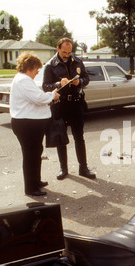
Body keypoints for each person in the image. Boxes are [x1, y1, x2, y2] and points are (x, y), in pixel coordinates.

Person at [43, 37, 96, 180]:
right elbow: (45, 86)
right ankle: (63, 168)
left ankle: (83, 168)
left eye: (69, 52)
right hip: (60, 104)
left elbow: (86, 79)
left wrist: (80, 82)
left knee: (79, 136)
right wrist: (58, 84)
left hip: (76, 103)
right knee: (61, 137)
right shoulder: (50, 65)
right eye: (64, 52)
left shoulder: (78, 61)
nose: (67, 55)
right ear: (58, 48)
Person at [10, 52, 60, 196]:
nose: (38, 72)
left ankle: (35, 181)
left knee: (36, 152)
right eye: (36, 69)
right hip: (26, 124)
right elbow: (37, 98)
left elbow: (35, 100)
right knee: (31, 155)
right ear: (29, 67)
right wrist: (52, 95)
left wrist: (49, 98)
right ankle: (30, 188)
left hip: (30, 123)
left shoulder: (24, 79)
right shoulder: (23, 80)